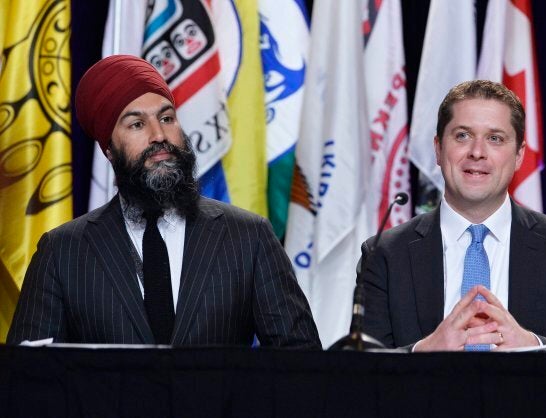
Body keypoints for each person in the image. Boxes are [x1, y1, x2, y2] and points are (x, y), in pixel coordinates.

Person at [7, 55, 321, 349]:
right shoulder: (62, 253)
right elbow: (29, 383)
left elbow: (301, 368)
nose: (159, 135)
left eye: (167, 118)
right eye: (136, 124)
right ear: (109, 150)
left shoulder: (248, 237)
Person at [360, 80, 546, 354]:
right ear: (439, 149)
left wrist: (532, 346)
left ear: (518, 155)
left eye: (495, 139)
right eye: (463, 136)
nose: (477, 152)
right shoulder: (384, 253)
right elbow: (362, 372)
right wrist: (423, 351)